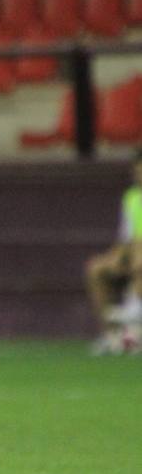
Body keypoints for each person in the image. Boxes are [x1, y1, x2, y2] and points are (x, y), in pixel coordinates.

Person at [85, 150, 142, 355]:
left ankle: (135, 317)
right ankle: (112, 335)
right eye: (137, 171)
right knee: (97, 268)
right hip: (134, 254)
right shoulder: (132, 198)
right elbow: (125, 237)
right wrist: (117, 258)